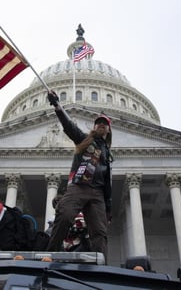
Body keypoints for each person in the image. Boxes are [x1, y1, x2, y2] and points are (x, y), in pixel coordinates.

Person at [46, 90, 113, 261]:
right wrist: (57, 106)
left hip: (97, 193)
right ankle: (51, 252)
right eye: (98, 123)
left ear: (108, 130)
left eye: (104, 124)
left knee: (99, 231)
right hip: (79, 186)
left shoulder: (107, 154)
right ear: (94, 127)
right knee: (65, 215)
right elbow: (69, 127)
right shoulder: (85, 140)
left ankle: (101, 263)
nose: (101, 125)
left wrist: (108, 207)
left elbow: (107, 183)